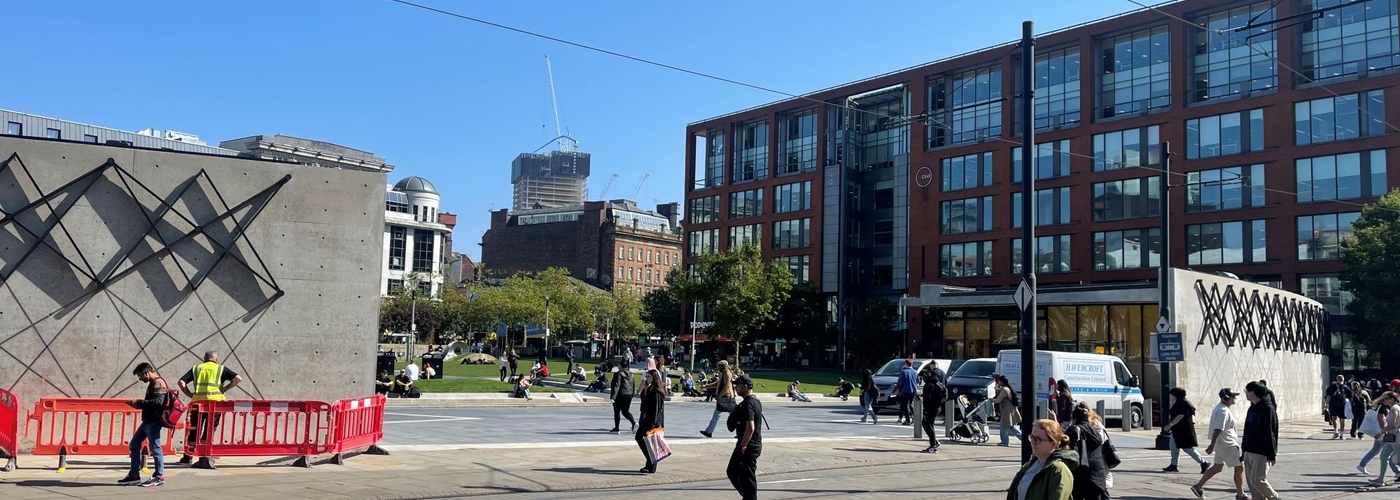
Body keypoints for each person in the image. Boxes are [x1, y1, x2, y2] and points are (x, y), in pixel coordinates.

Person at [176, 351, 242, 468]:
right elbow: (238, 379)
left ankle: (188, 456)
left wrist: (190, 394)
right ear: (216, 359)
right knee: (209, 429)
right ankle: (204, 456)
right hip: (215, 403)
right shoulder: (221, 369)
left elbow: (181, 382)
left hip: (198, 403)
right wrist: (225, 388)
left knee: (194, 429)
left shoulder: (197, 368)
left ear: (204, 358)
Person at [1191, 388, 1246, 500]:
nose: (1235, 398)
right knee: (1239, 468)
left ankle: (1198, 486)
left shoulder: (1220, 408)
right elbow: (1218, 429)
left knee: (1217, 467)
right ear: (1226, 397)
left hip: (1221, 444)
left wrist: (1214, 444)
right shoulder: (1223, 411)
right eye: (1233, 396)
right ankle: (1241, 494)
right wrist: (1212, 444)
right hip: (1227, 443)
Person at [121, 363, 168, 487]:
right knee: (134, 444)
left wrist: (139, 403)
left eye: (140, 375)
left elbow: (159, 402)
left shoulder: (158, 383)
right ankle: (134, 475)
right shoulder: (153, 383)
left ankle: (159, 476)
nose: (140, 378)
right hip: (147, 422)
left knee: (155, 448)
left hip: (153, 422)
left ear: (147, 373)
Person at [1006, 419, 1079, 500]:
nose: (1033, 443)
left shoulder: (1059, 470)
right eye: (1032, 437)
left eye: (1038, 439)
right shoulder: (1029, 465)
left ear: (1054, 443)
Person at [727, 374, 763, 500]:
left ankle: (750, 497)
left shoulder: (749, 404)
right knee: (736, 471)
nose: (735, 388)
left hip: (748, 446)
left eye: (738, 385)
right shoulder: (755, 401)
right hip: (749, 444)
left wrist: (743, 445)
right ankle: (748, 496)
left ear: (745, 386)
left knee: (746, 475)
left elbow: (751, 427)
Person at [1242, 381, 1280, 500]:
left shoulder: (1268, 408)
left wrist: (1271, 453)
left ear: (1252, 392)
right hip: (1249, 450)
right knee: (1252, 484)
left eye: (1246, 391)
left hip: (1261, 451)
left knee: (1257, 480)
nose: (1246, 394)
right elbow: (1247, 429)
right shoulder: (1252, 407)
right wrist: (1243, 449)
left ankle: (1274, 498)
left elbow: (1271, 431)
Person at [1066, 405, 1108, 500]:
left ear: (1074, 417)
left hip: (1082, 474)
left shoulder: (1074, 429)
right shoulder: (1094, 430)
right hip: (1097, 474)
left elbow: (1064, 444)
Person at [1164, 387, 1208, 473]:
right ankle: (1173, 465)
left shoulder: (1184, 403)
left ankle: (1203, 462)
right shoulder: (1178, 402)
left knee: (1188, 448)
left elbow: (1180, 416)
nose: (1171, 397)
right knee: (1173, 447)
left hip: (1184, 431)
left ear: (1177, 395)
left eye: (1173, 395)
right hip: (1177, 430)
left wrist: (1170, 425)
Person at [1358, 391, 1400, 476]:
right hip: (1390, 435)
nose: (1386, 400)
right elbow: (1383, 420)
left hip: (1393, 436)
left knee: (1391, 456)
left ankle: (1396, 472)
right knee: (1383, 455)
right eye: (1385, 398)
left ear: (1391, 399)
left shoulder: (1393, 408)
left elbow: (1392, 424)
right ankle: (1383, 477)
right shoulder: (1388, 407)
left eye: (1387, 398)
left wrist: (1381, 432)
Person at [635, 369, 666, 474]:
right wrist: (644, 390)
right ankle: (650, 462)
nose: (646, 378)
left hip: (652, 420)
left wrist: (653, 424)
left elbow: (657, 409)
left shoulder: (656, 390)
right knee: (641, 438)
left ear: (654, 377)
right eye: (646, 376)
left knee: (646, 440)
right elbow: (643, 404)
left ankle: (651, 463)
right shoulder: (649, 388)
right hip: (647, 417)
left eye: (649, 376)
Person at [702, 361, 735, 438]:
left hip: (727, 398)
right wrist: (706, 386)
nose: (718, 368)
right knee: (718, 415)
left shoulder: (727, 374)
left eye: (720, 366)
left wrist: (720, 396)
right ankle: (708, 431)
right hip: (724, 397)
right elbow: (717, 383)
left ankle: (709, 431)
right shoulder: (723, 373)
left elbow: (727, 386)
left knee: (733, 415)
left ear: (724, 366)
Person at [920, 365, 947, 454]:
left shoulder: (929, 385)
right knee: (929, 424)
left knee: (927, 424)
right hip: (937, 406)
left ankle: (933, 445)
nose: (922, 379)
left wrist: (926, 410)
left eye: (923, 377)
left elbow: (928, 399)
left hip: (932, 407)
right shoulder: (937, 382)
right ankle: (934, 442)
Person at [994, 375, 1023, 446]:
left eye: (999, 381)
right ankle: (1025, 439)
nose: (998, 382)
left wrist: (990, 400)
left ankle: (1005, 442)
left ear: (1001, 381)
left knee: (1003, 426)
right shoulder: (1006, 388)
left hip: (1006, 411)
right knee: (1011, 427)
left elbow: (998, 400)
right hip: (1009, 410)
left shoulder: (1004, 390)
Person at [610, 364, 637, 434]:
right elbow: (633, 384)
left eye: (618, 365)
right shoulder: (631, 374)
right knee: (625, 411)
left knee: (617, 411)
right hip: (628, 394)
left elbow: (617, 385)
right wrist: (632, 393)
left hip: (620, 394)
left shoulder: (618, 374)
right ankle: (634, 423)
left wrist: (613, 396)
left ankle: (617, 428)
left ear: (620, 366)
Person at [1326, 374, 1353, 440]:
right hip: (1342, 405)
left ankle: (1336, 432)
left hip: (1333, 405)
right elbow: (1350, 397)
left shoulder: (1332, 387)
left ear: (1337, 379)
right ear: (1343, 380)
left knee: (1333, 418)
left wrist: (1326, 404)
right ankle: (1341, 434)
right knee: (1342, 420)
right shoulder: (1346, 387)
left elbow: (1328, 396)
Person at [896, 358, 919, 425]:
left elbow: (901, 382)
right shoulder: (915, 372)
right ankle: (915, 416)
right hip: (914, 390)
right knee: (911, 403)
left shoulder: (904, 372)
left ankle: (907, 419)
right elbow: (918, 381)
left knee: (906, 405)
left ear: (906, 364)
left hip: (906, 390)